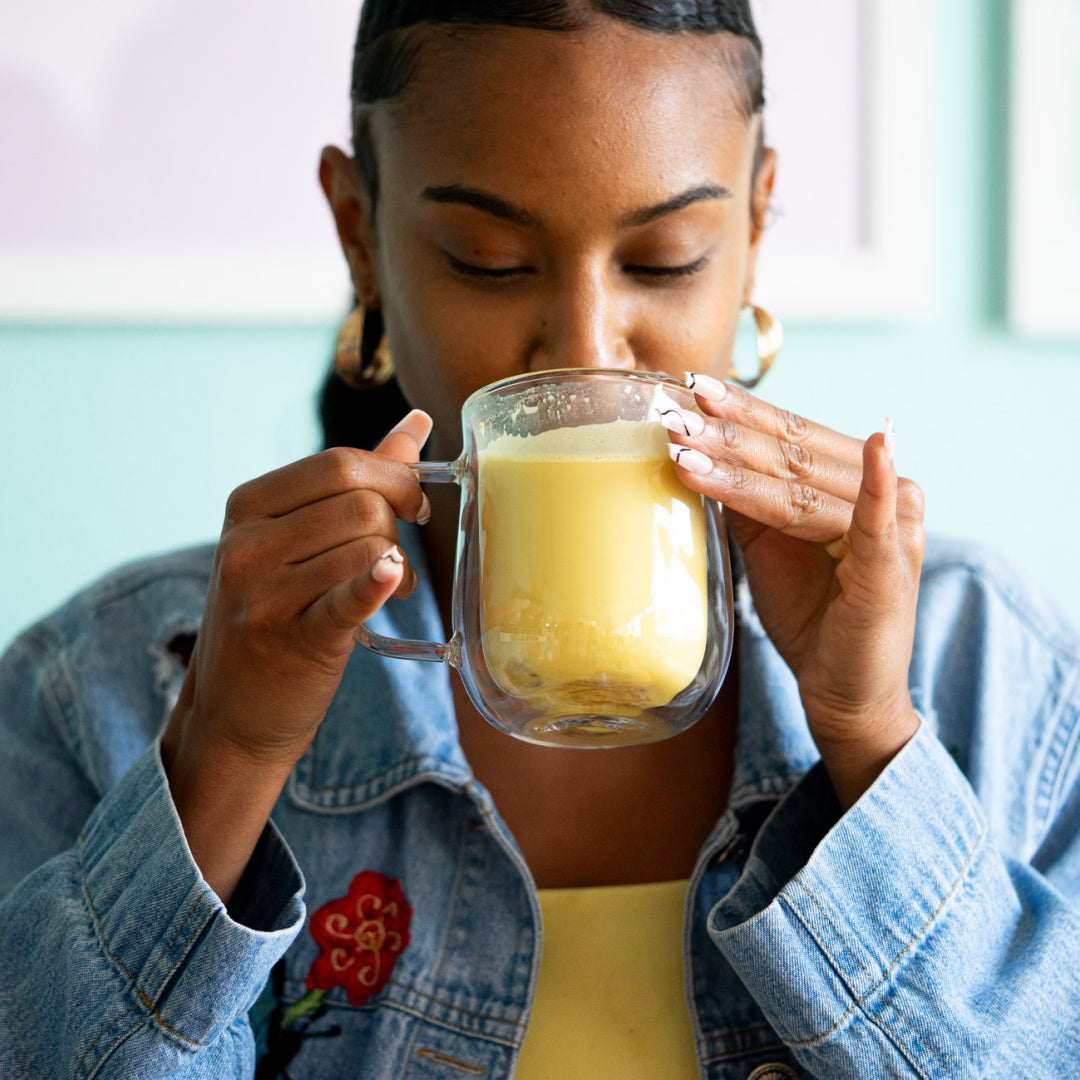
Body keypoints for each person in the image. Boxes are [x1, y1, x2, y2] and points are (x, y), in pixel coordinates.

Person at [2, 1, 1079, 1077]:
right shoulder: (97, 692)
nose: (583, 348)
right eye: (486, 258)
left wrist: (872, 737)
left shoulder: (983, 670)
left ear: (753, 232)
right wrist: (220, 765)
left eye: (663, 260)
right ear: (357, 233)